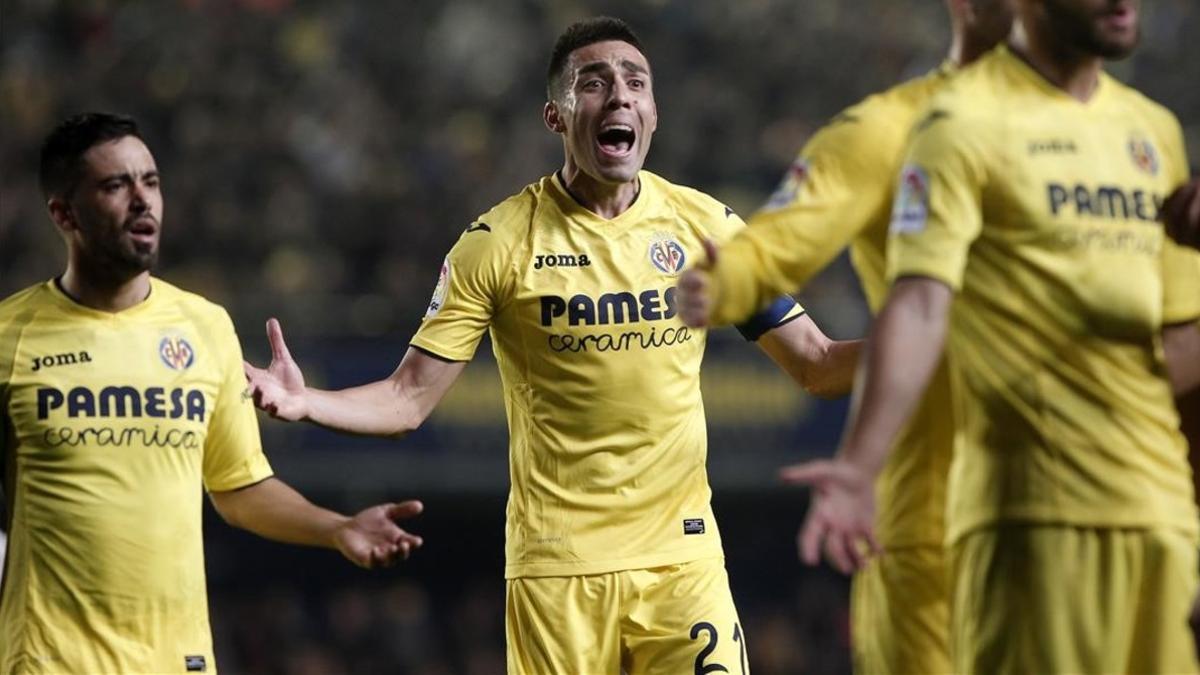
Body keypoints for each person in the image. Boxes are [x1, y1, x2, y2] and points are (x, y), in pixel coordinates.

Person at [244, 17, 859, 674]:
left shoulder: (707, 228)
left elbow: (815, 363)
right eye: (593, 83)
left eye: (635, 83)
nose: (619, 95)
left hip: (683, 562)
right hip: (556, 572)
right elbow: (406, 399)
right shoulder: (498, 244)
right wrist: (309, 401)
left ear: (653, 112)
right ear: (556, 117)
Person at [767, 0, 1200, 671]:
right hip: (1031, 509)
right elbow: (900, 319)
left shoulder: (1152, 134)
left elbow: (1179, 347)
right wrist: (860, 462)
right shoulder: (954, 130)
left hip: (1157, 516)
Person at [0, 113, 426, 674]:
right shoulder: (12, 336)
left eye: (150, 182)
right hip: (50, 660)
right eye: (115, 185)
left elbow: (241, 488)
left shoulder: (204, 327)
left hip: (177, 659)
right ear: (64, 212)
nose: (142, 201)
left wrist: (337, 528)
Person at [676, 1, 1011, 672]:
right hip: (935, 534)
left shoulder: (1133, 137)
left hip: (1100, 519)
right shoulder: (888, 129)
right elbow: (780, 256)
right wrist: (734, 278)